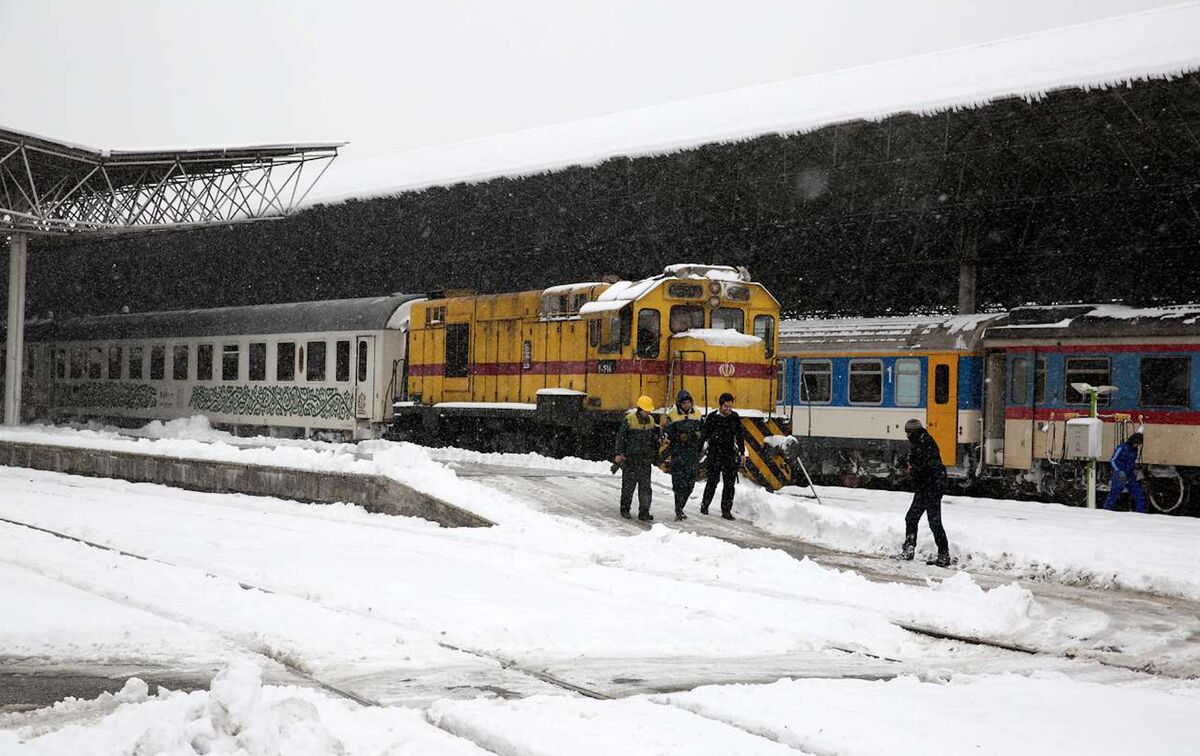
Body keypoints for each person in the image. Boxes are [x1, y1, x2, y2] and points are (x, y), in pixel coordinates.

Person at [900, 418, 951, 567]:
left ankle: (944, 554)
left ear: (914, 432)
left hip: (931, 488)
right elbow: (917, 460)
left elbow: (926, 468)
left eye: (909, 432)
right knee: (912, 518)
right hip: (925, 488)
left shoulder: (925, 444)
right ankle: (909, 549)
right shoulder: (920, 442)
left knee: (933, 522)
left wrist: (911, 468)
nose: (907, 436)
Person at [614, 395, 661, 521]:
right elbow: (621, 437)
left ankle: (644, 512)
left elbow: (653, 439)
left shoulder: (651, 421)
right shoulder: (629, 420)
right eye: (647, 410)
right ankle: (625, 509)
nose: (649, 412)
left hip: (645, 460)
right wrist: (619, 453)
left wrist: (657, 443)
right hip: (630, 460)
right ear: (640, 409)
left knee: (645, 488)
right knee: (628, 486)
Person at [700, 392, 746, 520]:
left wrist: (742, 452)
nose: (728, 409)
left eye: (730, 407)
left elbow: (740, 436)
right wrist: (699, 450)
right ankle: (705, 505)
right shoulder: (712, 418)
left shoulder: (734, 417)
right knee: (712, 481)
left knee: (729, 484)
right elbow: (704, 436)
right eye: (726, 407)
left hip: (729, 455)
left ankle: (726, 511)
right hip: (714, 455)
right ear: (720, 405)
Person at [662, 388, 704, 521]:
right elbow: (667, 432)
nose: (686, 405)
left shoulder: (697, 414)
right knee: (678, 483)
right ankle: (678, 509)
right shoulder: (672, 415)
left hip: (692, 454)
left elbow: (703, 431)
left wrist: (695, 436)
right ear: (679, 404)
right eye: (684, 403)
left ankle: (681, 505)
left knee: (690, 483)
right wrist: (679, 436)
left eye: (688, 402)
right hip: (678, 453)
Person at [1103, 432, 1146, 513]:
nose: (1138, 446)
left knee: (1138, 494)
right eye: (1137, 443)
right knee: (1114, 495)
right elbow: (1113, 460)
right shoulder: (1122, 447)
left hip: (1129, 474)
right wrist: (1119, 471)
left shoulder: (1134, 450)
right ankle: (1106, 510)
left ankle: (1140, 512)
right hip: (1120, 475)